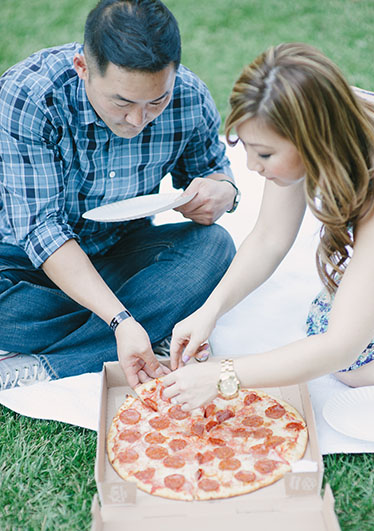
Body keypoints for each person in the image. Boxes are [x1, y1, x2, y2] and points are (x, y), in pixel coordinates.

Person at [0, 0, 238, 391]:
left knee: (215, 248)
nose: (137, 119)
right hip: (21, 258)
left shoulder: (189, 96)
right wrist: (120, 320)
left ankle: (55, 358)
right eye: (122, 102)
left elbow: (214, 171)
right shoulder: (29, 96)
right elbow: (40, 230)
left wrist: (222, 192)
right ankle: (140, 326)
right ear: (83, 69)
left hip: (120, 246)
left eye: (156, 102)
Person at [159, 43, 374, 410]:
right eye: (246, 147)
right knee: (327, 330)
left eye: (265, 154)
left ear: (312, 141)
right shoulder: (309, 110)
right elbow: (270, 237)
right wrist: (209, 311)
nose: (252, 167)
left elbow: (341, 346)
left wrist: (223, 374)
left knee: (354, 363)